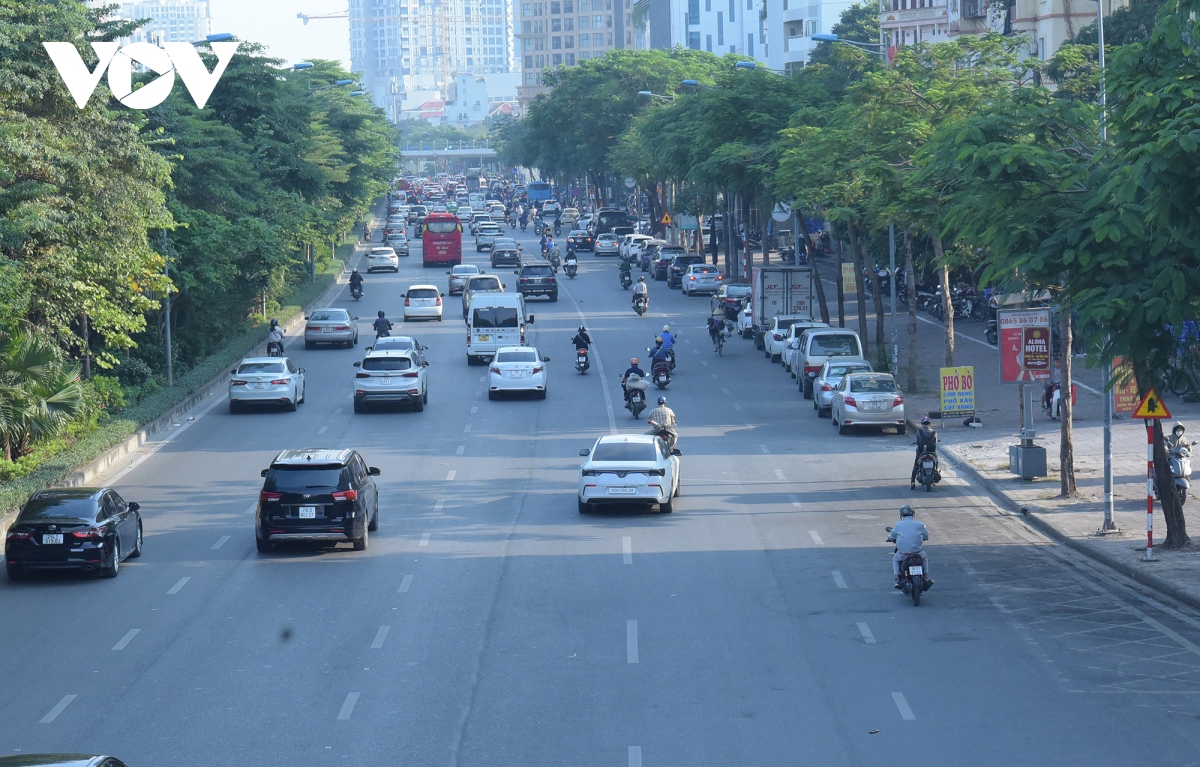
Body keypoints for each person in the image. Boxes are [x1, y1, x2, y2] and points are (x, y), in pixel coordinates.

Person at [887, 505, 932, 589]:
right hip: (918, 553)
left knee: (895, 559)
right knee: (925, 558)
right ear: (913, 514)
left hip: (903, 554)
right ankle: (926, 577)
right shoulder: (920, 524)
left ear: (901, 515)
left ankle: (897, 579)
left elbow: (892, 536)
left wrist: (889, 538)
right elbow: (926, 536)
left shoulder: (898, 524)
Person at [911, 416, 939, 489]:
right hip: (931, 452)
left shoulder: (919, 432)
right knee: (936, 461)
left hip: (921, 452)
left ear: (922, 424)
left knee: (916, 466)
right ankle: (935, 470)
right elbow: (935, 442)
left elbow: (917, 441)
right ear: (929, 424)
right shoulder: (934, 432)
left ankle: (912, 482)